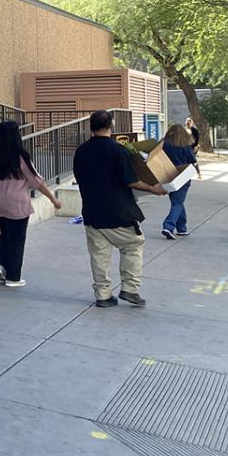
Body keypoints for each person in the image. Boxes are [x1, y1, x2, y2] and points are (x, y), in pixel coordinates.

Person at [73, 110, 167, 308]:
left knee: (99, 255)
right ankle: (130, 289)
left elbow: (80, 177)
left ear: (91, 126)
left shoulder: (81, 151)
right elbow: (130, 180)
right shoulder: (118, 150)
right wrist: (153, 188)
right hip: (118, 212)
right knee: (133, 245)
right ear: (111, 126)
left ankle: (103, 295)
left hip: (92, 211)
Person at [0, 121, 61, 288]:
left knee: (6, 232)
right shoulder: (21, 157)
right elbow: (37, 182)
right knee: (16, 239)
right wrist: (53, 199)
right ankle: (13, 277)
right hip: (16, 205)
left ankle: (1, 264)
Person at [161, 123, 198, 240]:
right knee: (178, 202)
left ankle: (182, 228)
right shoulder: (186, 145)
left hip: (169, 176)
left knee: (177, 202)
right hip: (183, 176)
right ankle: (168, 226)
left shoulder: (165, 144)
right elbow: (193, 160)